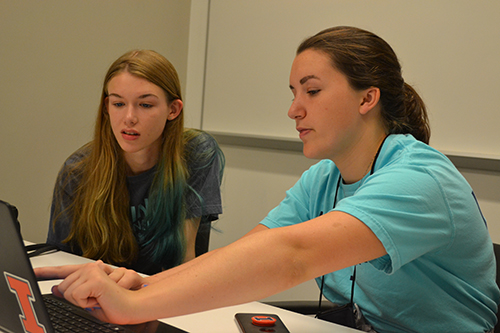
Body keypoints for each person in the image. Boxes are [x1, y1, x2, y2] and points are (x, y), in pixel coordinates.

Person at [36, 27, 499, 332]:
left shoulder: (420, 178)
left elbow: (291, 257)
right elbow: (252, 252)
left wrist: (136, 307)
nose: (294, 108)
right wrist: (142, 284)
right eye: (293, 93)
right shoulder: (324, 177)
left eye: (312, 91)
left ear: (368, 98)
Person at [46, 50, 224, 275]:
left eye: (145, 105)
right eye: (118, 104)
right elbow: (62, 261)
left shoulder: (196, 153)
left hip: (166, 295)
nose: (129, 117)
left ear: (173, 110)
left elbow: (182, 262)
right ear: (106, 107)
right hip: (96, 296)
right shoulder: (77, 170)